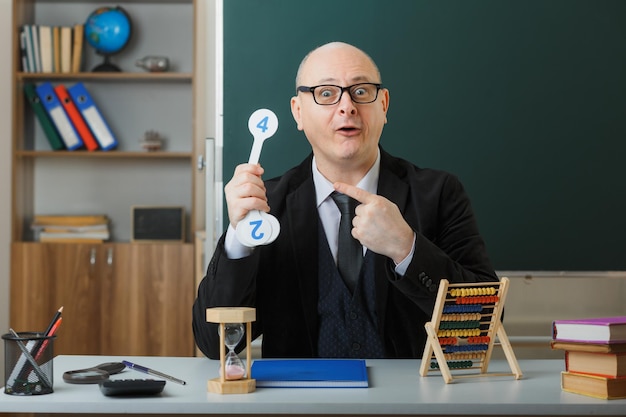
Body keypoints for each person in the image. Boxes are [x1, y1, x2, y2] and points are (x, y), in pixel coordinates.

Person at [192, 41, 498, 359]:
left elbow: (482, 323)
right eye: (326, 93)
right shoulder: (268, 205)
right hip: (300, 405)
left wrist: (406, 249)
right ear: (298, 112)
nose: (347, 107)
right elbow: (214, 343)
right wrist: (239, 241)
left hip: (409, 404)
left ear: (384, 105)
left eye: (361, 91)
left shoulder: (439, 193)